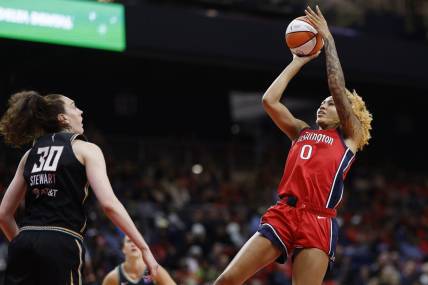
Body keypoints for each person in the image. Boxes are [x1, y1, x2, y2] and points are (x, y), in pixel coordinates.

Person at [214, 5, 372, 285]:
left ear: (348, 111)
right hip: (285, 213)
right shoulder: (301, 131)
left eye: (331, 104)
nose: (323, 106)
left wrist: (329, 40)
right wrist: (299, 60)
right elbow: (269, 101)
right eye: (321, 103)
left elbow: (337, 86)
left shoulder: (351, 135)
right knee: (227, 279)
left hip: (318, 220)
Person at [0, 91, 159, 285]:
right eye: (74, 106)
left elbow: (3, 214)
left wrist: (25, 242)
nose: (81, 111)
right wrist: (144, 248)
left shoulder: (29, 155)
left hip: (23, 242)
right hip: (61, 240)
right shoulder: (87, 149)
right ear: (62, 118)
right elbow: (109, 204)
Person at [102, 235, 176, 285]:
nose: (133, 244)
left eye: (135, 241)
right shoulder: (114, 276)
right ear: (123, 249)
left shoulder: (155, 270)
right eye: (129, 241)